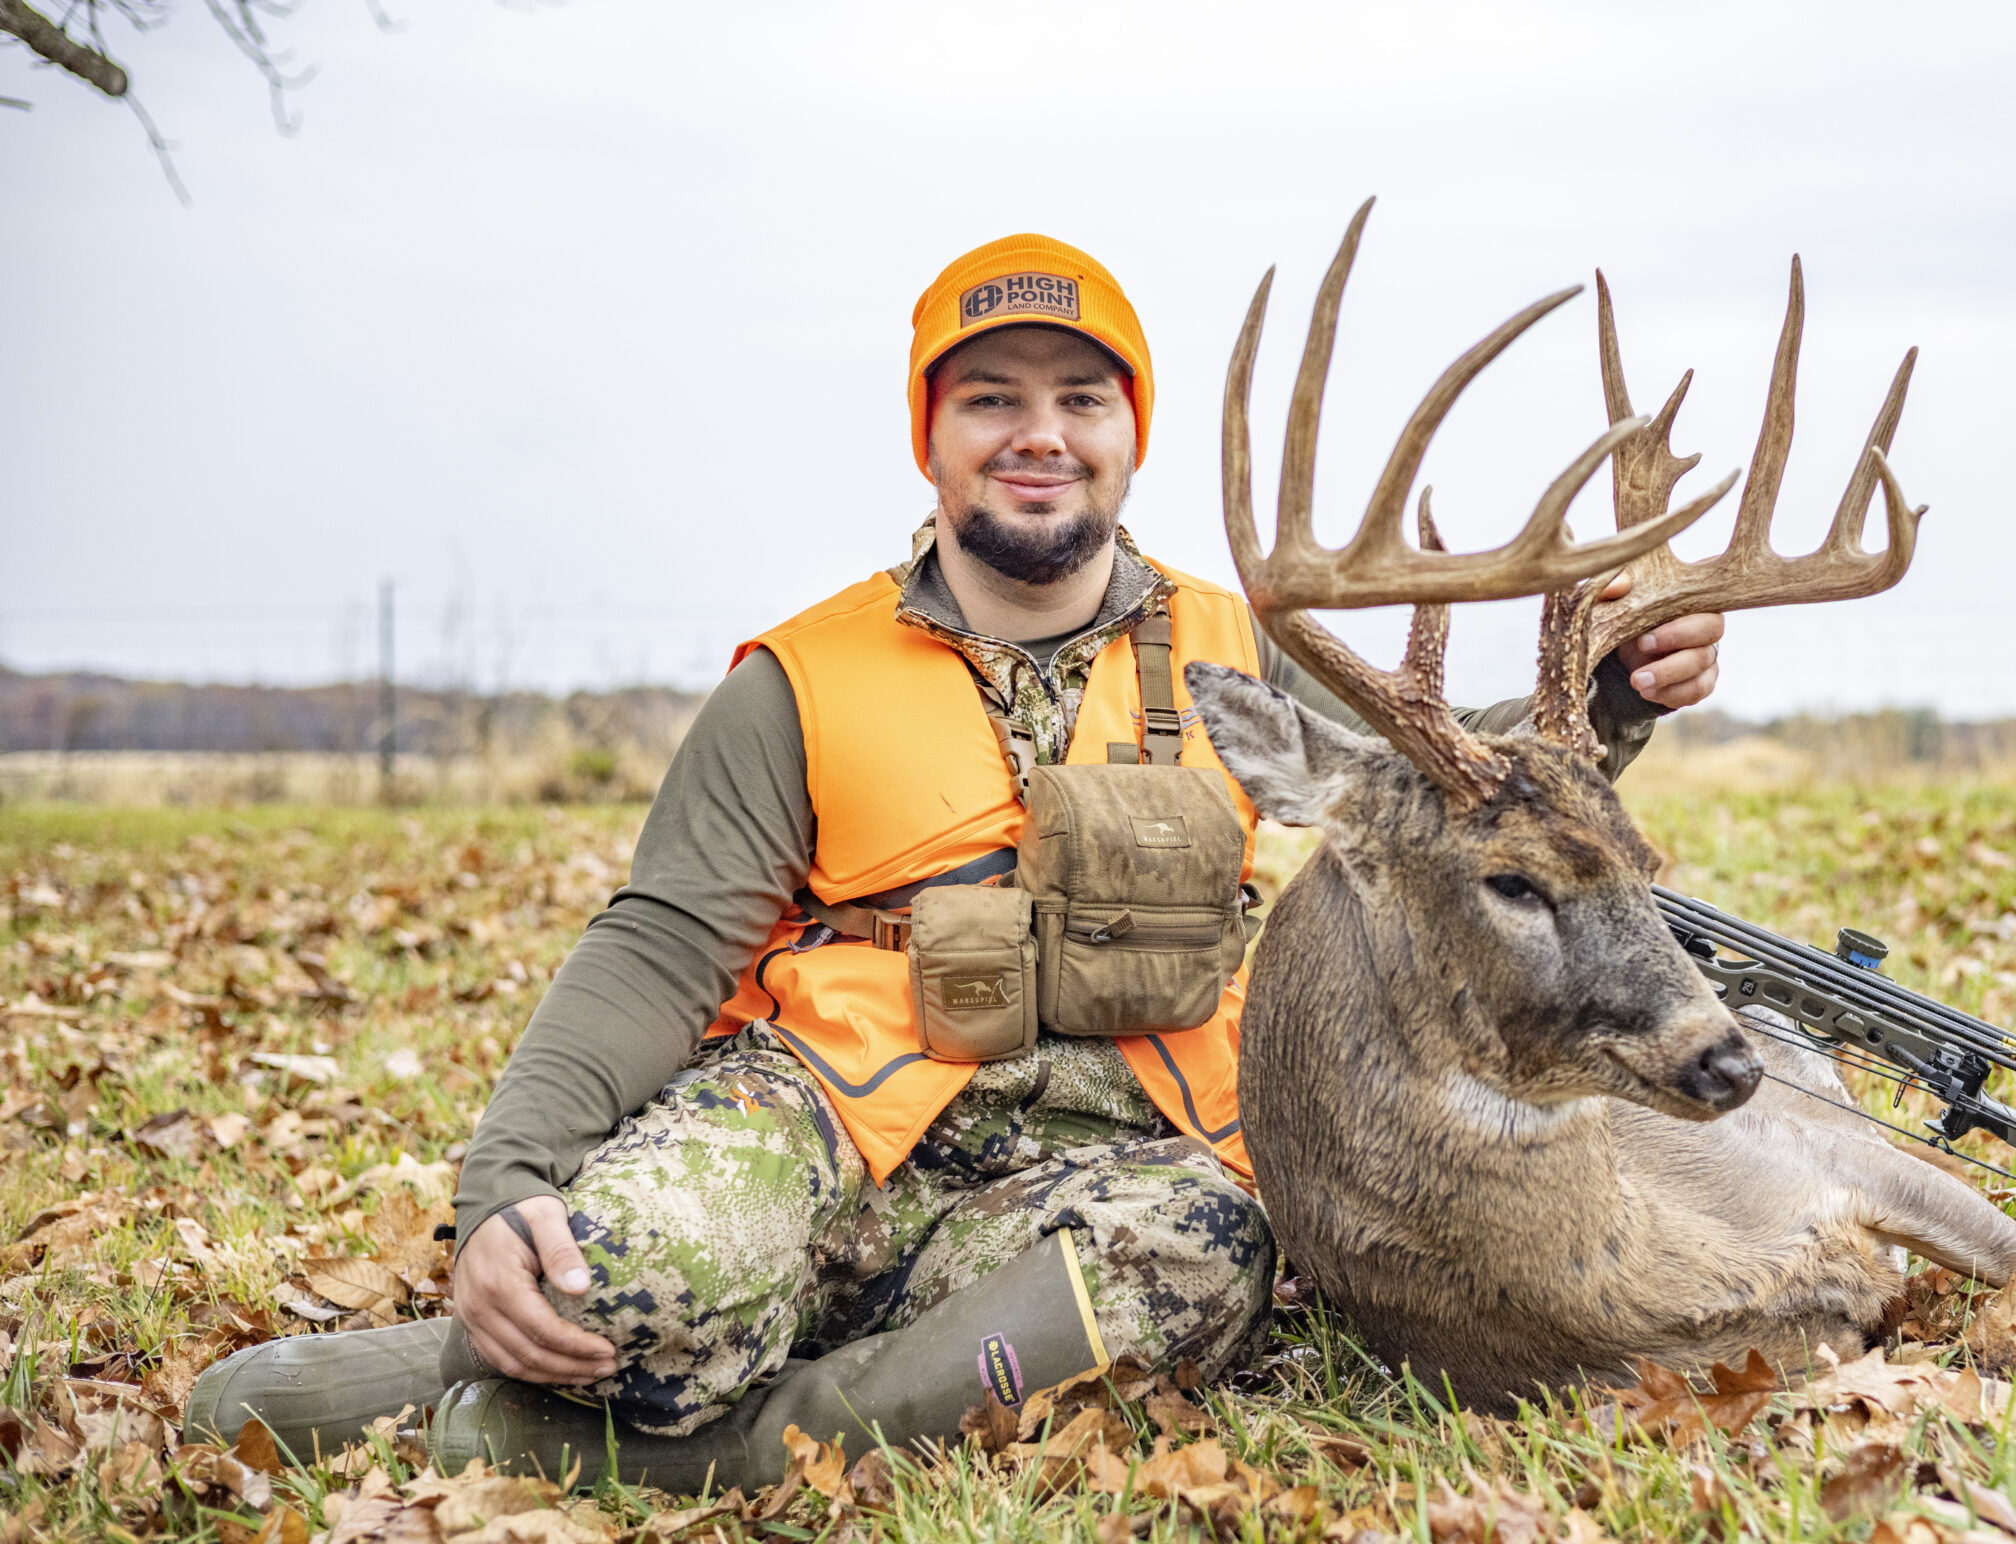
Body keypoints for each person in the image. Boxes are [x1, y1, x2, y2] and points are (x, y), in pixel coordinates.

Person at [184, 233, 1727, 1487]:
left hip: (1120, 1161)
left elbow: (1459, 804)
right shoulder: (801, 680)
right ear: (931, 437)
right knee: (638, 1284)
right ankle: (579, 1346)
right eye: (990, 398)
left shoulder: (1234, 652)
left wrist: (1614, 698)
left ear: (1129, 437)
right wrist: (504, 1192)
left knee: (1205, 1259)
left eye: (1080, 399)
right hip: (830, 1125)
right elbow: (654, 949)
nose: (1038, 435)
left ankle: (723, 1443)